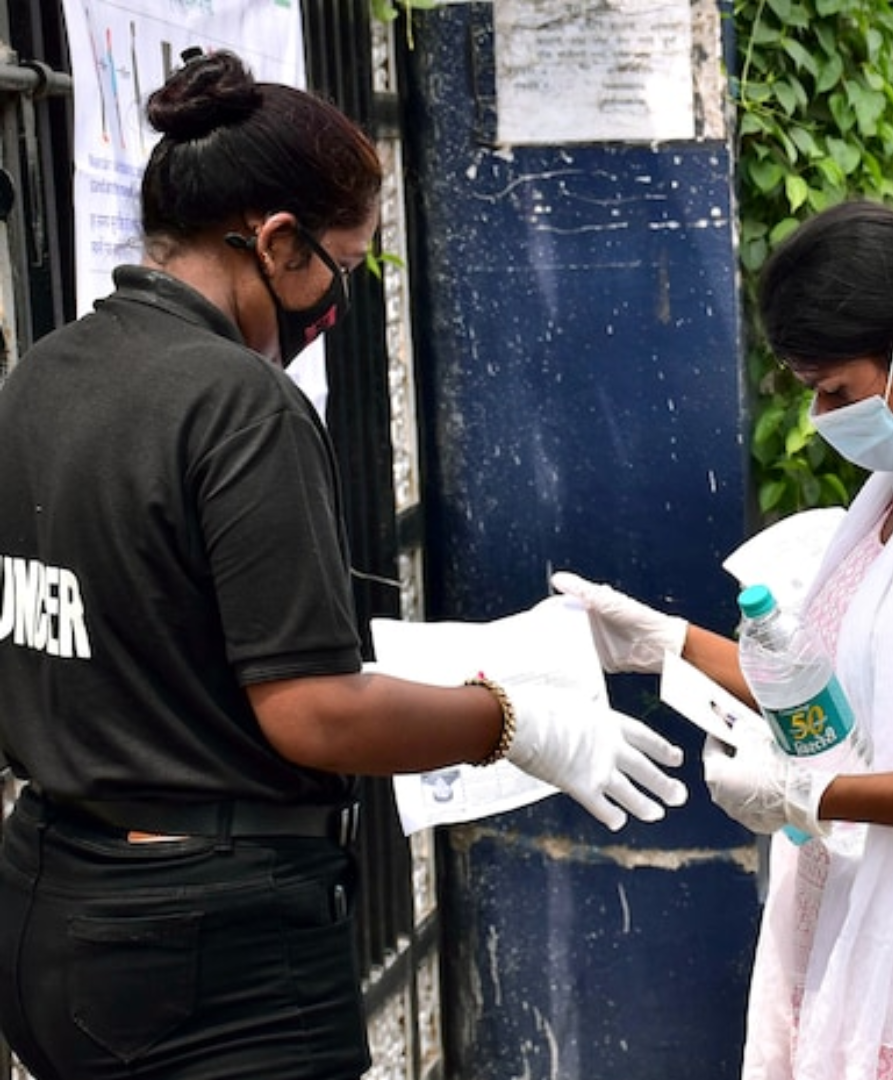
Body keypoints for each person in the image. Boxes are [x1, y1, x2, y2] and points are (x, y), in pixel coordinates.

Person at [0, 50, 687, 1080]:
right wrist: (520, 721)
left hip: (49, 905)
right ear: (277, 243)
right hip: (205, 954)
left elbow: (152, 629)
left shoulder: (42, 376)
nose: (339, 297)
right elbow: (309, 710)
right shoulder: (238, 402)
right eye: (345, 264)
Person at [554, 200, 893, 1079]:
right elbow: (823, 701)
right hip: (847, 932)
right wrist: (665, 643)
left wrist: (815, 797)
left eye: (834, 391)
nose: (820, 416)